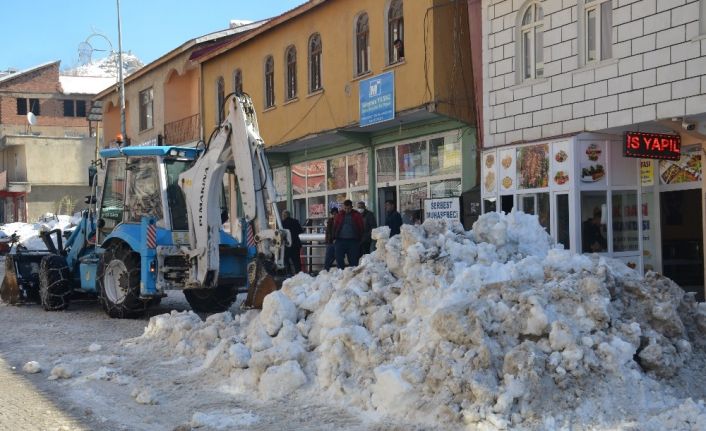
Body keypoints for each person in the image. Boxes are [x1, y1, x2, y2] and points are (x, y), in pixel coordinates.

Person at [333, 199, 364, 269]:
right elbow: (335, 227)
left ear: (351, 207)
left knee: (353, 260)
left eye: (349, 209)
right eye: (345, 208)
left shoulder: (356, 215)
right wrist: (334, 238)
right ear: (343, 207)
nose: (347, 210)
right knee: (338, 257)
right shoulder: (339, 215)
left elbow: (361, 227)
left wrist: (360, 238)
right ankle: (341, 272)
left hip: (353, 241)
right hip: (340, 240)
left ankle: (352, 275)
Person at [281, 210, 303, 274]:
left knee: (285, 259)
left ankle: (289, 273)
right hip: (296, 244)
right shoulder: (295, 221)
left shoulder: (282, 223)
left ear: (284, 216)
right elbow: (300, 231)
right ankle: (298, 273)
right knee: (296, 260)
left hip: (287, 245)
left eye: (282, 215)